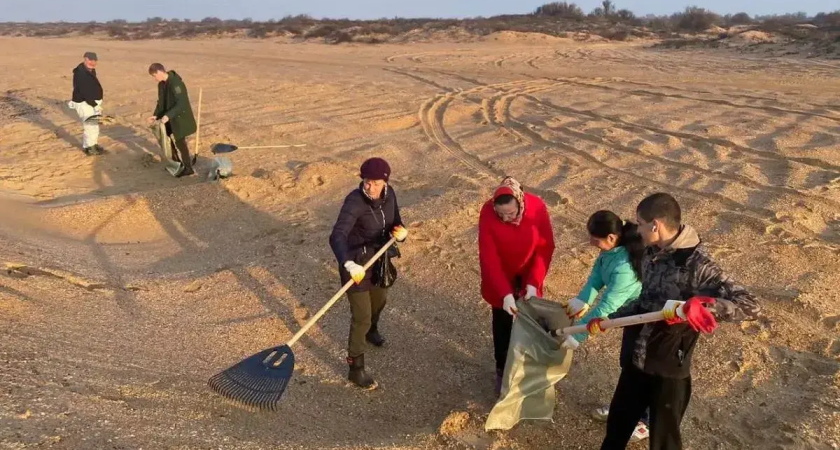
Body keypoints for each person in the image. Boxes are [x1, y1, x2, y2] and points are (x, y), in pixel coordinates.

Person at [585, 193, 760, 450]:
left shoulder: (698, 264)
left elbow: (750, 304)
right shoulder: (650, 253)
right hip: (636, 360)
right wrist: (609, 319)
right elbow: (645, 302)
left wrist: (707, 304)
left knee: (664, 443)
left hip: (668, 369)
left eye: (640, 223)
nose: (637, 229)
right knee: (615, 433)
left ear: (655, 225)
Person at [559, 210, 649, 441]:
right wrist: (582, 300)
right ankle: (626, 409)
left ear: (611, 237)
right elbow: (596, 278)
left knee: (643, 368)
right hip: (630, 317)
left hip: (645, 320)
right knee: (628, 364)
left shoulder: (624, 269)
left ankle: (645, 420)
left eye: (595, 239)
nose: (591, 243)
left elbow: (605, 309)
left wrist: (577, 336)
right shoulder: (609, 253)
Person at [329, 157, 408, 390]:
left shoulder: (390, 194)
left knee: (380, 300)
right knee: (361, 316)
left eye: (374, 182)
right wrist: (348, 263)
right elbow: (337, 235)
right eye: (366, 181)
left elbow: (396, 221)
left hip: (378, 260)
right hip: (356, 266)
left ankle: (372, 330)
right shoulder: (354, 202)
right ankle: (356, 368)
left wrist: (400, 232)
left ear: (385, 182)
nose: (369, 187)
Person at [478, 176, 555, 396]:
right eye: (501, 214)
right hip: (501, 273)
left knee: (532, 320)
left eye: (511, 213)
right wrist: (505, 294)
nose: (506, 218)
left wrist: (533, 283)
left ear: (520, 202)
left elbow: (545, 247)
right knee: (502, 322)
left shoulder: (538, 207)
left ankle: (529, 369)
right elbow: (489, 257)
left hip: (528, 270)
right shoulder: (487, 213)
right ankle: (502, 368)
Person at [146, 63, 197, 177]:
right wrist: (156, 115)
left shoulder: (176, 84)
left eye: (154, 76)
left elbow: (181, 103)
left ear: (160, 72)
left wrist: (168, 115)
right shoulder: (161, 84)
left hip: (179, 117)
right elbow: (161, 102)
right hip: (168, 117)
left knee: (180, 142)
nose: (154, 79)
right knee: (166, 140)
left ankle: (188, 168)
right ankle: (176, 164)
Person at [70, 51, 104, 156]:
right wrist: (95, 105)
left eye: (94, 60)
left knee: (94, 126)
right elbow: (84, 91)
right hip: (84, 103)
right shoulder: (80, 73)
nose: (93, 62)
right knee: (90, 126)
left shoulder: (90, 70)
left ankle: (93, 144)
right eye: (90, 60)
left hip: (91, 102)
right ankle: (89, 148)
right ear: (85, 59)